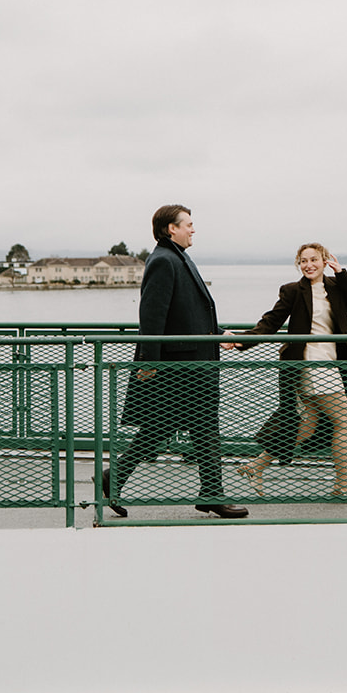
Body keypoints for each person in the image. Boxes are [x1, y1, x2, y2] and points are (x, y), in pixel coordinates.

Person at [101, 205, 248, 519]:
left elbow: (187, 315)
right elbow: (152, 317)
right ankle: (210, 494)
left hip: (193, 362)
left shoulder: (176, 257)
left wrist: (219, 333)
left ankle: (208, 492)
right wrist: (150, 364)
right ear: (171, 228)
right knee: (186, 426)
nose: (193, 229)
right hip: (180, 366)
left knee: (179, 426)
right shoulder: (164, 261)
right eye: (189, 225)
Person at [225, 243, 347, 497]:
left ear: (325, 261)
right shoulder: (292, 291)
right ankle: (342, 486)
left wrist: (342, 273)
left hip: (334, 365)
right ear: (298, 264)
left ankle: (256, 466)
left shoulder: (336, 288)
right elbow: (270, 322)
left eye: (314, 259)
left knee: (310, 424)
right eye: (303, 261)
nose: (308, 265)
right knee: (344, 421)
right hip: (311, 364)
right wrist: (240, 340)